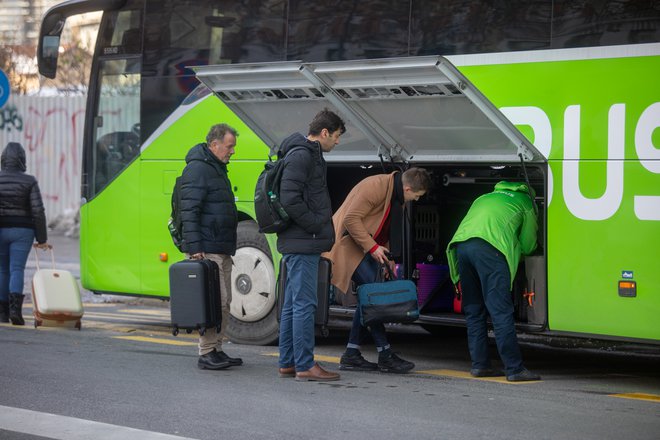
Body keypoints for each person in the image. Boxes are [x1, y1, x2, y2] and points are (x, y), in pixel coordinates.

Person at [324, 168, 431, 373]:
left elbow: (379, 226)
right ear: (407, 188)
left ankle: (353, 354)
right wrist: (373, 248)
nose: (415, 201)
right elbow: (351, 220)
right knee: (374, 295)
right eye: (416, 196)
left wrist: (387, 256)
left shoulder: (393, 192)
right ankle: (384, 354)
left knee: (369, 297)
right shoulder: (376, 187)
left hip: (359, 246)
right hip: (346, 246)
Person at [446, 181, 540, 382]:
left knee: (474, 311)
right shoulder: (525, 201)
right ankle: (514, 369)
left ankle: (480, 365)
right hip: (491, 250)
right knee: (500, 311)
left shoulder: (484, 197)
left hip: (462, 247)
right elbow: (528, 243)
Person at [277, 109, 345, 382]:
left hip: (301, 240)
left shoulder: (305, 155)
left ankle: (288, 362)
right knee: (305, 304)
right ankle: (305, 365)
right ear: (325, 132)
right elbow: (289, 198)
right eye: (337, 136)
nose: (337, 142)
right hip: (303, 241)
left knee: (293, 305)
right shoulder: (302, 156)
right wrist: (316, 224)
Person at [179, 124, 242, 370]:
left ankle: (217, 348)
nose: (232, 152)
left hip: (221, 247)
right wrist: (195, 247)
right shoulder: (198, 169)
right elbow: (189, 211)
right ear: (214, 145)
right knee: (215, 302)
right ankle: (206, 352)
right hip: (206, 249)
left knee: (225, 302)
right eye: (230, 146)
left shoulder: (216, 168)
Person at [0, 142, 50, 325]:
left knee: (2, 269)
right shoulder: (29, 181)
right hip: (23, 232)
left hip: (1, 230)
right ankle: (15, 311)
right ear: (22, 160)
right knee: (16, 269)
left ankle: (2, 312)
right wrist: (42, 238)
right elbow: (37, 211)